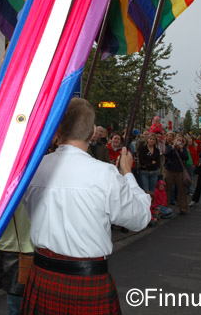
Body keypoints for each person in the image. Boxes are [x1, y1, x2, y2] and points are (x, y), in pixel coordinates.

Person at [21, 98, 150, 314]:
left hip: (42, 275)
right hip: (87, 282)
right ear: (92, 133)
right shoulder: (104, 174)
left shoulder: (33, 170)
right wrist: (127, 174)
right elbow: (140, 218)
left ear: (57, 128)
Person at [163, 132, 189, 215]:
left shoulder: (183, 149)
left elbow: (186, 158)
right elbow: (166, 154)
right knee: (167, 189)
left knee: (181, 190)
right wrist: (173, 147)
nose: (179, 142)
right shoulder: (170, 147)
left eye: (180, 140)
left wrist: (181, 149)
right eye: (177, 140)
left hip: (179, 171)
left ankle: (183, 208)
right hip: (169, 170)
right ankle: (165, 207)